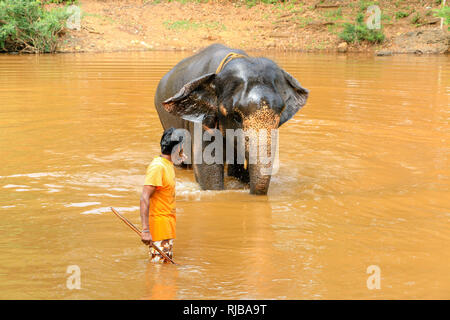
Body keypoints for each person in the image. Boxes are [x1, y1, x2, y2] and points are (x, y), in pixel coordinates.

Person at [140, 127, 184, 263]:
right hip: (159, 229)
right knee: (160, 274)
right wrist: (145, 230)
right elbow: (144, 197)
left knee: (164, 273)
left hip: (167, 227)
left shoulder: (167, 164)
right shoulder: (158, 167)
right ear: (177, 148)